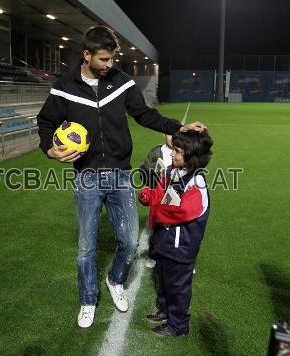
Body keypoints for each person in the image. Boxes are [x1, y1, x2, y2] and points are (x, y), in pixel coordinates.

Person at [37, 25, 206, 329]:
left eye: (111, 59)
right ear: (86, 55)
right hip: (87, 176)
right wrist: (50, 151)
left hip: (120, 174)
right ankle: (88, 299)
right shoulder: (64, 87)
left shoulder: (121, 81)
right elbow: (45, 121)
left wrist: (177, 128)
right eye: (103, 59)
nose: (109, 65)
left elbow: (144, 114)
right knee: (86, 247)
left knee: (128, 240)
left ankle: (115, 280)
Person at [138, 130, 213, 336]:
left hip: (181, 248)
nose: (172, 153)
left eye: (177, 151)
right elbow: (160, 192)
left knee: (178, 287)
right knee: (163, 279)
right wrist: (148, 195)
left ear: (190, 156)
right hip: (165, 241)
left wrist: (156, 206)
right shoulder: (173, 171)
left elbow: (179, 212)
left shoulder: (196, 183)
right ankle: (165, 311)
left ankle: (178, 325)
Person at [139, 134, 173, 269]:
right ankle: (153, 255)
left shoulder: (185, 150)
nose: (173, 137)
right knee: (154, 229)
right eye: (170, 133)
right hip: (158, 197)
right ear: (163, 134)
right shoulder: (156, 152)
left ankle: (185, 261)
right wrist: (149, 185)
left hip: (177, 197)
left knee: (178, 230)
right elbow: (144, 170)